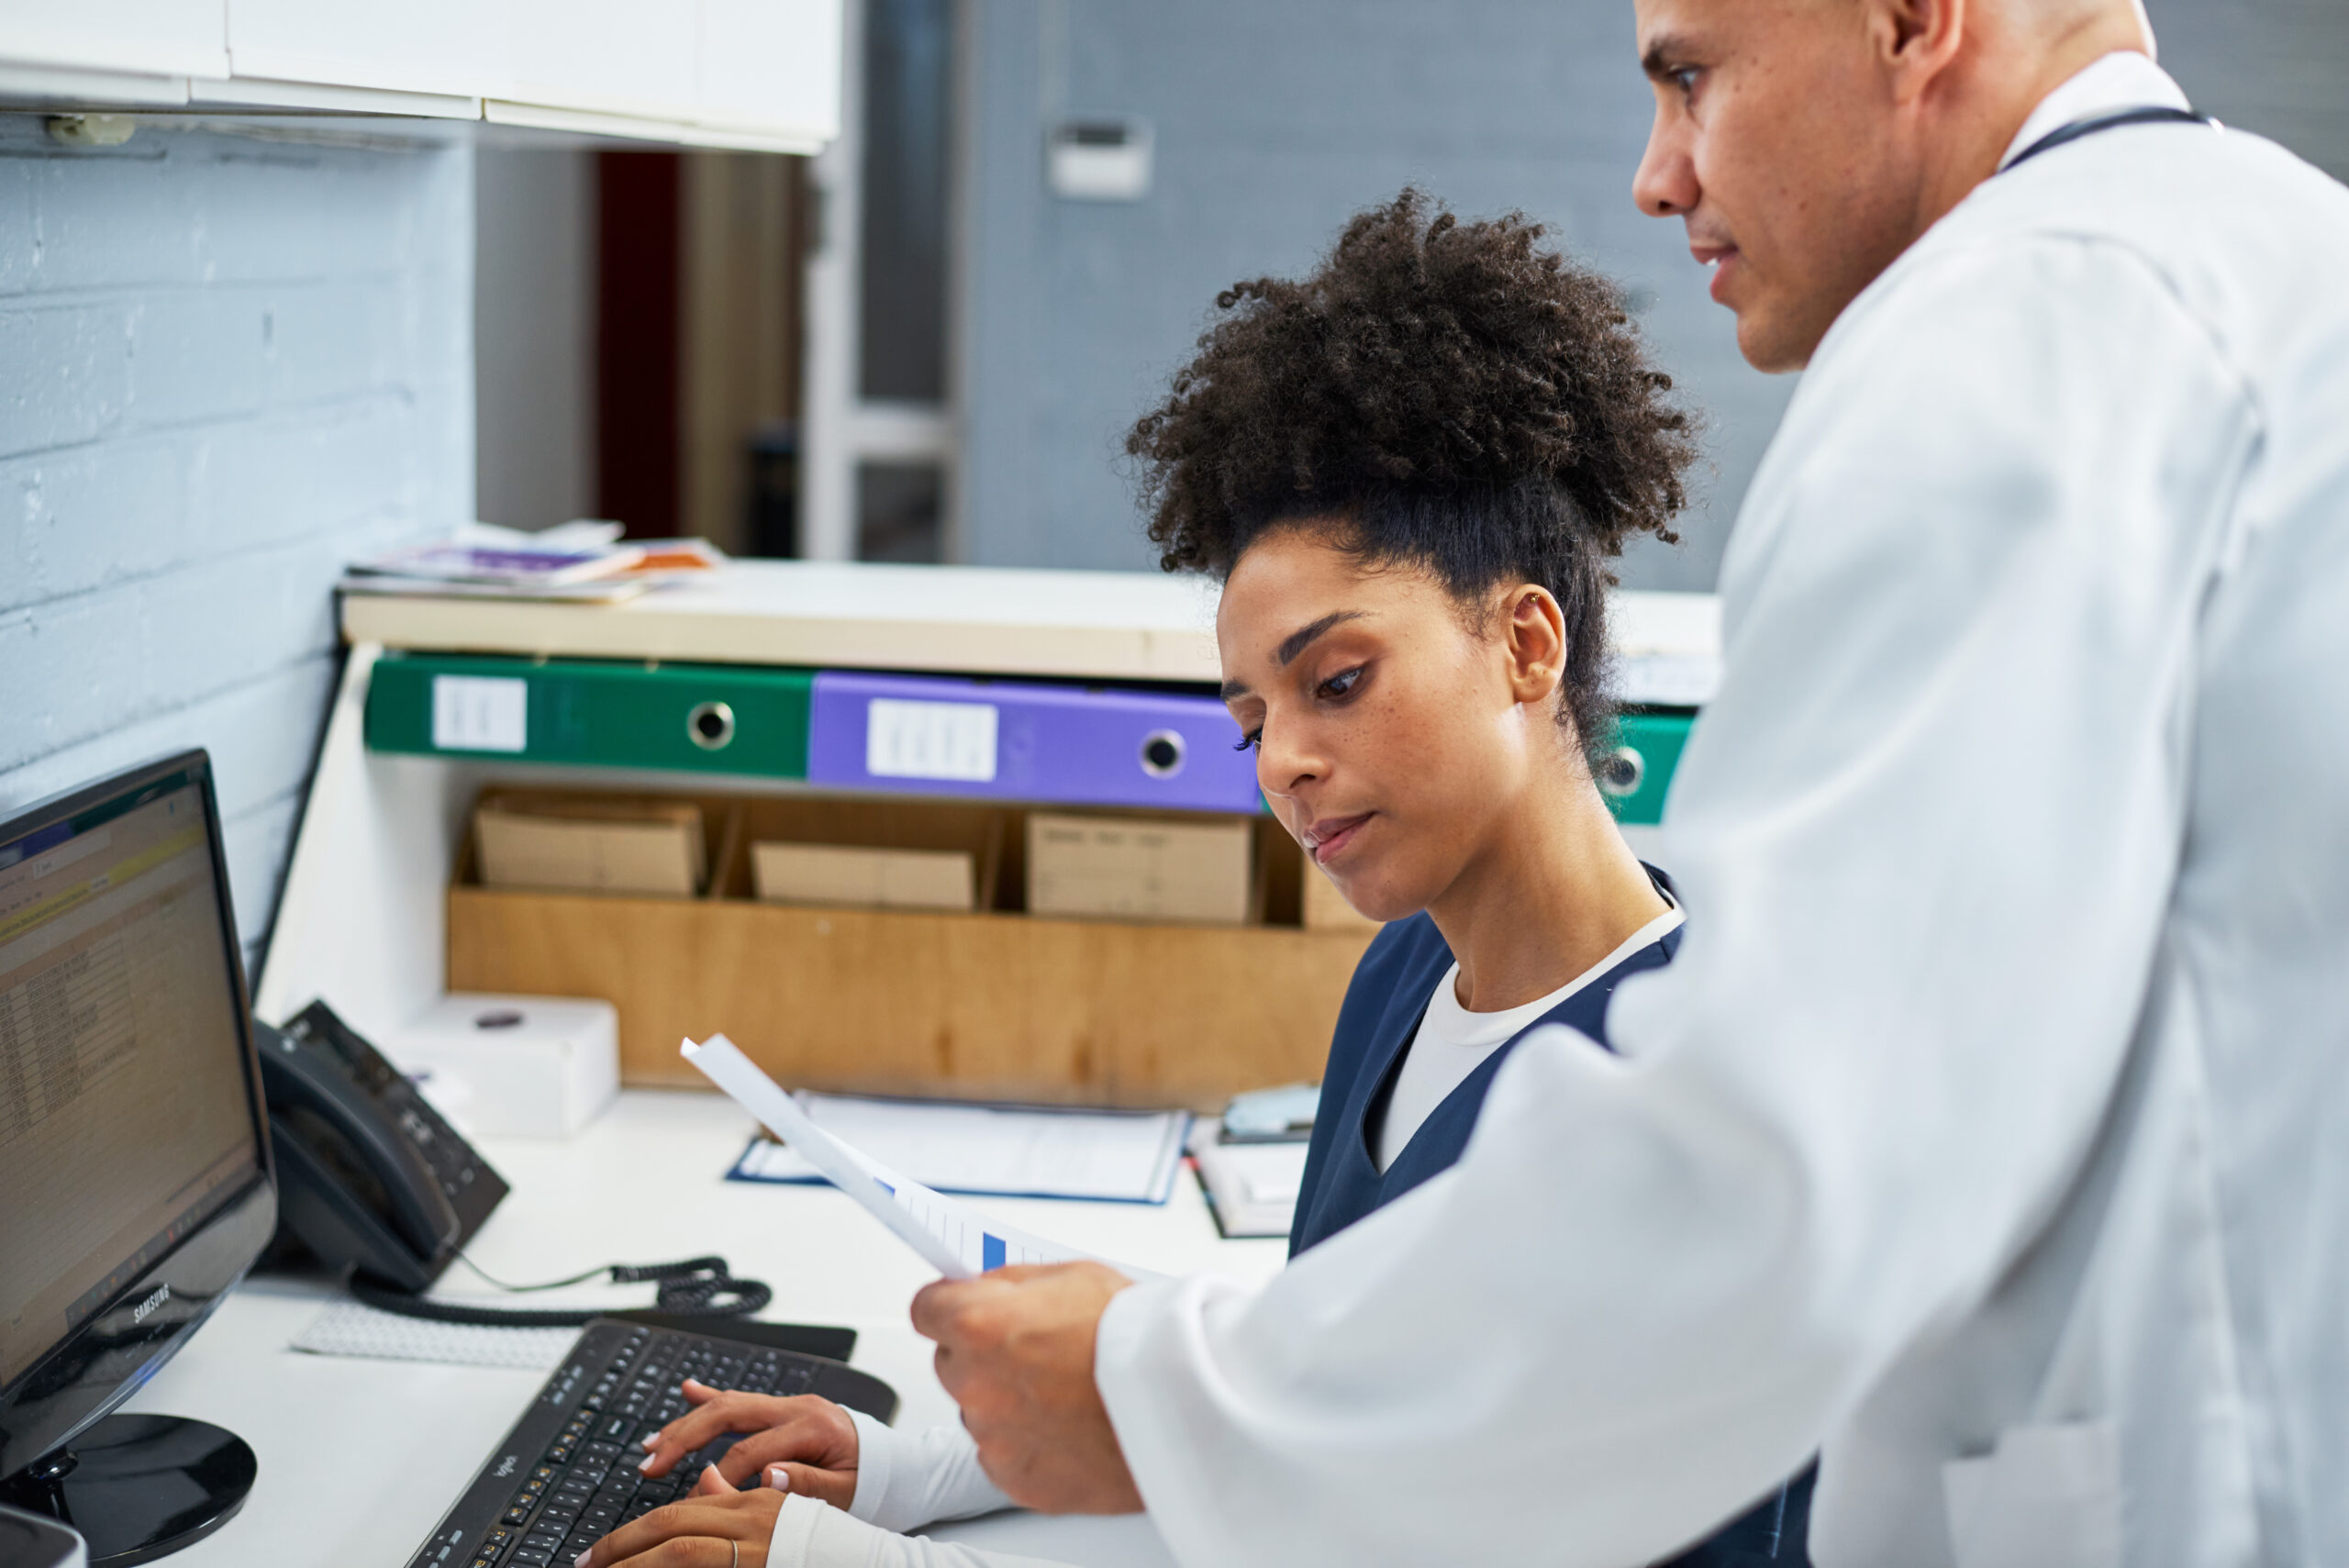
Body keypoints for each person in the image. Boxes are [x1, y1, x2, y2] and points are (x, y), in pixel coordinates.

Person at [897, 1, 2349, 1564]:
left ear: (1915, 22)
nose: (1659, 176)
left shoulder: (2013, 338)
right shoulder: (2283, 260)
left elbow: (1775, 1179)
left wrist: (1153, 1395)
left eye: (1690, 75)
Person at [577, 195, 1817, 1567]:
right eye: (1248, 721)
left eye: (1337, 682)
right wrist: (900, 1470)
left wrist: (837, 1562)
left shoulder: (1664, 1097)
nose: (1282, 762)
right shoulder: (1410, 973)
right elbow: (1319, 1403)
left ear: (1526, 643)